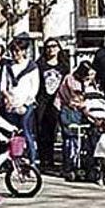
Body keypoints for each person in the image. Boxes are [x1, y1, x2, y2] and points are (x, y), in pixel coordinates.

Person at [0, 37, 39, 165]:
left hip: (25, 105)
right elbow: (3, 86)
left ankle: (32, 162)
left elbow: (34, 88)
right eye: (13, 50)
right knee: (10, 133)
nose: (16, 53)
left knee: (27, 133)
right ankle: (12, 162)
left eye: (18, 50)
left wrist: (25, 104)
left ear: (24, 51)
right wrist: (8, 99)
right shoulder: (8, 66)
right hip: (11, 104)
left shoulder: (32, 66)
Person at [35, 38, 69, 169]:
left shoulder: (64, 66)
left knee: (53, 130)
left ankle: (50, 159)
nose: (51, 49)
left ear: (59, 48)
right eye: (48, 47)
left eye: (54, 46)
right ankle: (43, 160)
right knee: (41, 130)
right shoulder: (40, 65)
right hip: (42, 101)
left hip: (57, 102)